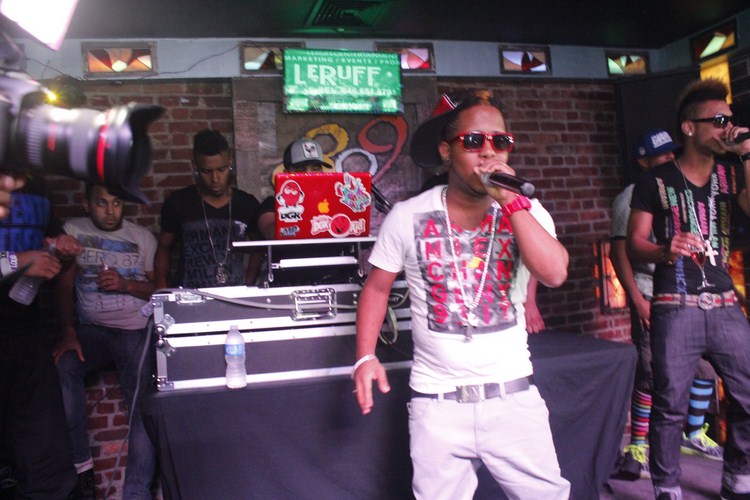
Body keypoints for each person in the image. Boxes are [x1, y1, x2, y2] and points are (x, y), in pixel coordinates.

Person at [353, 89, 570, 499]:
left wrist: (512, 203)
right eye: (473, 141)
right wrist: (365, 356)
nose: (489, 152)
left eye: (500, 141)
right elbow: (377, 288)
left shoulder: (527, 210)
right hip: (437, 403)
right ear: (446, 151)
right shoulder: (407, 215)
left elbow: (555, 273)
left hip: (512, 396)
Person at [628, 78, 750, 500]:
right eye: (717, 120)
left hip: (725, 304)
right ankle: (667, 487)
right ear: (689, 127)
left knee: (748, 394)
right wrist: (665, 250)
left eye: (729, 120)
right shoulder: (655, 180)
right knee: (669, 403)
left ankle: (738, 476)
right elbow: (633, 244)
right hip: (675, 304)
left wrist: (747, 153)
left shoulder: (732, 174)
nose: (727, 128)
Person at [611, 129, 722, 480]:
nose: (670, 158)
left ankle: (694, 434)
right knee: (651, 372)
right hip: (651, 293)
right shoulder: (631, 196)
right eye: (661, 155)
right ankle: (637, 447)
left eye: (672, 152)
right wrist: (637, 300)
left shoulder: (676, 191)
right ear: (643, 162)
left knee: (706, 366)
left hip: (688, 294)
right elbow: (619, 253)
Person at [53, 184, 157, 500]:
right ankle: (81, 469)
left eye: (116, 203)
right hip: (91, 331)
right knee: (62, 368)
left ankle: (136, 493)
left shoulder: (142, 237)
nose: (110, 211)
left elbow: (160, 290)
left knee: (142, 405)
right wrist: (68, 332)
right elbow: (63, 285)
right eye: (101, 203)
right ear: (86, 204)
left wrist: (126, 284)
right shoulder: (73, 231)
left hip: (133, 329)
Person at [0, 174, 81, 499]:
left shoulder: (37, 185)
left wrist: (60, 249)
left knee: (46, 456)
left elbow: (44, 243)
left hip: (26, 329)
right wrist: (17, 262)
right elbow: (23, 259)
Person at [155, 129, 263, 289]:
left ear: (230, 162)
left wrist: (249, 284)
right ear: (195, 166)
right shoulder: (178, 202)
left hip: (236, 297)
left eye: (221, 169)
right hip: (190, 296)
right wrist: (161, 288)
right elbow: (164, 247)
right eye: (206, 171)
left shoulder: (246, 203)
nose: (215, 179)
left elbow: (259, 247)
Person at [257, 137, 335, 240]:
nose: (309, 175)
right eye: (301, 170)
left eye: (315, 169)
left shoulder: (333, 201)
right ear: (286, 174)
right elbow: (272, 233)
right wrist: (290, 208)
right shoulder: (272, 204)